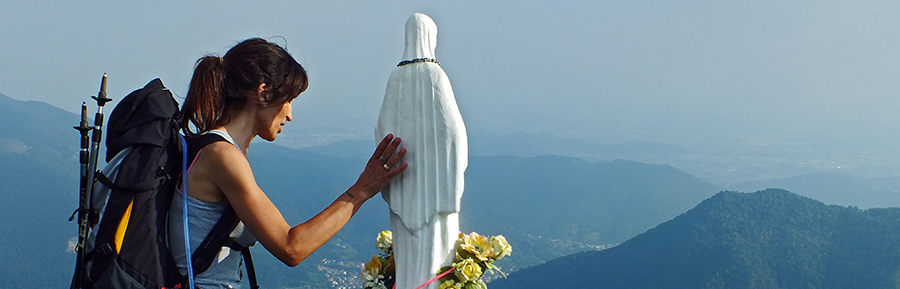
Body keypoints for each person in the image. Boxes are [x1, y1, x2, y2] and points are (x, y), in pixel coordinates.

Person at [170, 38, 408, 289]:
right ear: (263, 93)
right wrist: (362, 190)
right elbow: (291, 247)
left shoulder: (210, 147)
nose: (290, 114)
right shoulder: (222, 156)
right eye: (288, 100)